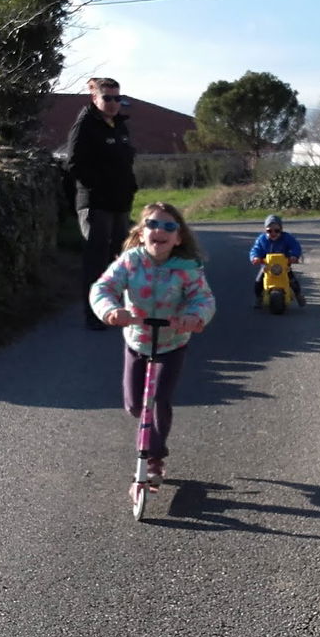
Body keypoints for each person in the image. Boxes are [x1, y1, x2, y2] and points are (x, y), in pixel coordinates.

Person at [89, 202, 216, 486]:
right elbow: (103, 288)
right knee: (135, 405)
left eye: (169, 227)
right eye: (152, 225)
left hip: (173, 343)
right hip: (138, 341)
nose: (160, 231)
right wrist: (110, 311)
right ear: (141, 232)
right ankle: (151, 449)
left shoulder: (188, 268)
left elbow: (203, 299)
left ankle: (153, 459)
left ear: (178, 237)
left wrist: (194, 316)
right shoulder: (130, 261)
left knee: (158, 400)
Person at [66, 76, 138, 329]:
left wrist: (130, 187)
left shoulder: (120, 125)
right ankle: (94, 315)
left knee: (119, 259)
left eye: (117, 98)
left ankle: (115, 310)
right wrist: (97, 187)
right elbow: (74, 164)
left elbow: (126, 161)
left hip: (120, 204)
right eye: (107, 98)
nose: (113, 103)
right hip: (96, 204)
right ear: (94, 98)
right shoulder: (85, 125)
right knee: (95, 261)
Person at [248, 214, 304, 306]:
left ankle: (298, 295)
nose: (273, 233)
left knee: (293, 280)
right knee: (258, 282)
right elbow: (256, 249)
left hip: (284, 266)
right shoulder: (262, 239)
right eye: (269, 231)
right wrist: (255, 257)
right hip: (267, 266)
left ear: (281, 230)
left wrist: (294, 255)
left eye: (276, 231)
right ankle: (259, 298)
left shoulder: (287, 238)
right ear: (265, 230)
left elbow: (295, 246)